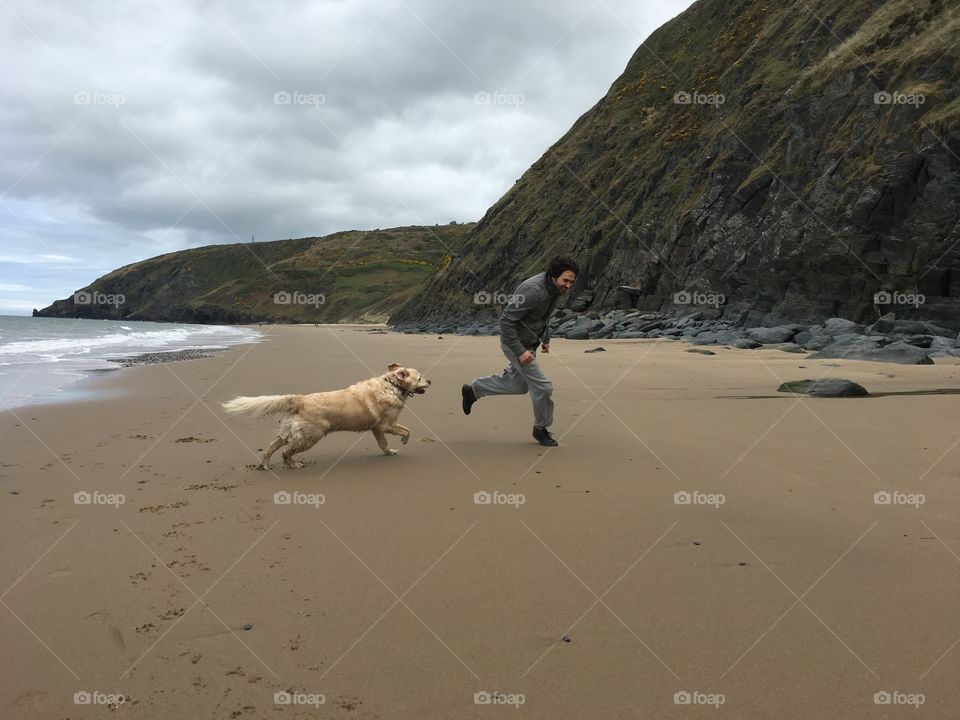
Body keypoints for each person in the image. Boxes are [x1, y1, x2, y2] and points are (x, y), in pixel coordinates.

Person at [461, 255, 578, 447]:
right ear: (554, 276)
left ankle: (474, 390)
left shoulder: (554, 288)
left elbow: (542, 316)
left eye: (572, 282)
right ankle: (540, 429)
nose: (568, 286)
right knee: (543, 386)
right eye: (566, 281)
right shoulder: (532, 291)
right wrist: (520, 351)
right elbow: (506, 321)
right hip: (515, 343)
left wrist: (545, 338)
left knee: (520, 386)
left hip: (530, 342)